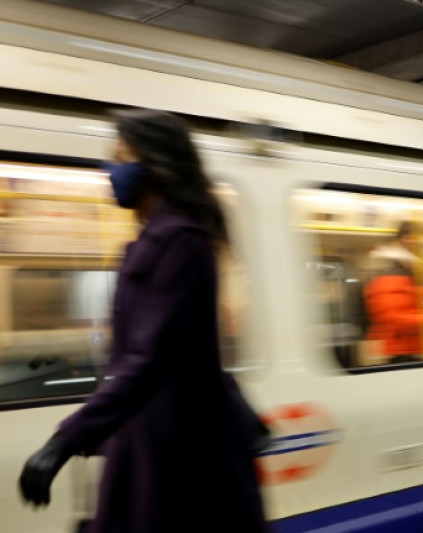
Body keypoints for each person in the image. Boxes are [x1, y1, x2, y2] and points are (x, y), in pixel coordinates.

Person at [17, 109, 269, 533]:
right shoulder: (152, 243)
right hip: (156, 439)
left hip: (181, 451)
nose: (110, 171)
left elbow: (149, 361)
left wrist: (64, 441)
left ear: (154, 164)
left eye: (121, 158)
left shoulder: (180, 243)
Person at [362, 221, 423, 364]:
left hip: (417, 350)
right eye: (409, 238)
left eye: (417, 239)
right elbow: (394, 319)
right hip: (399, 353)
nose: (414, 243)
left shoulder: (416, 275)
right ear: (399, 241)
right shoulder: (388, 277)